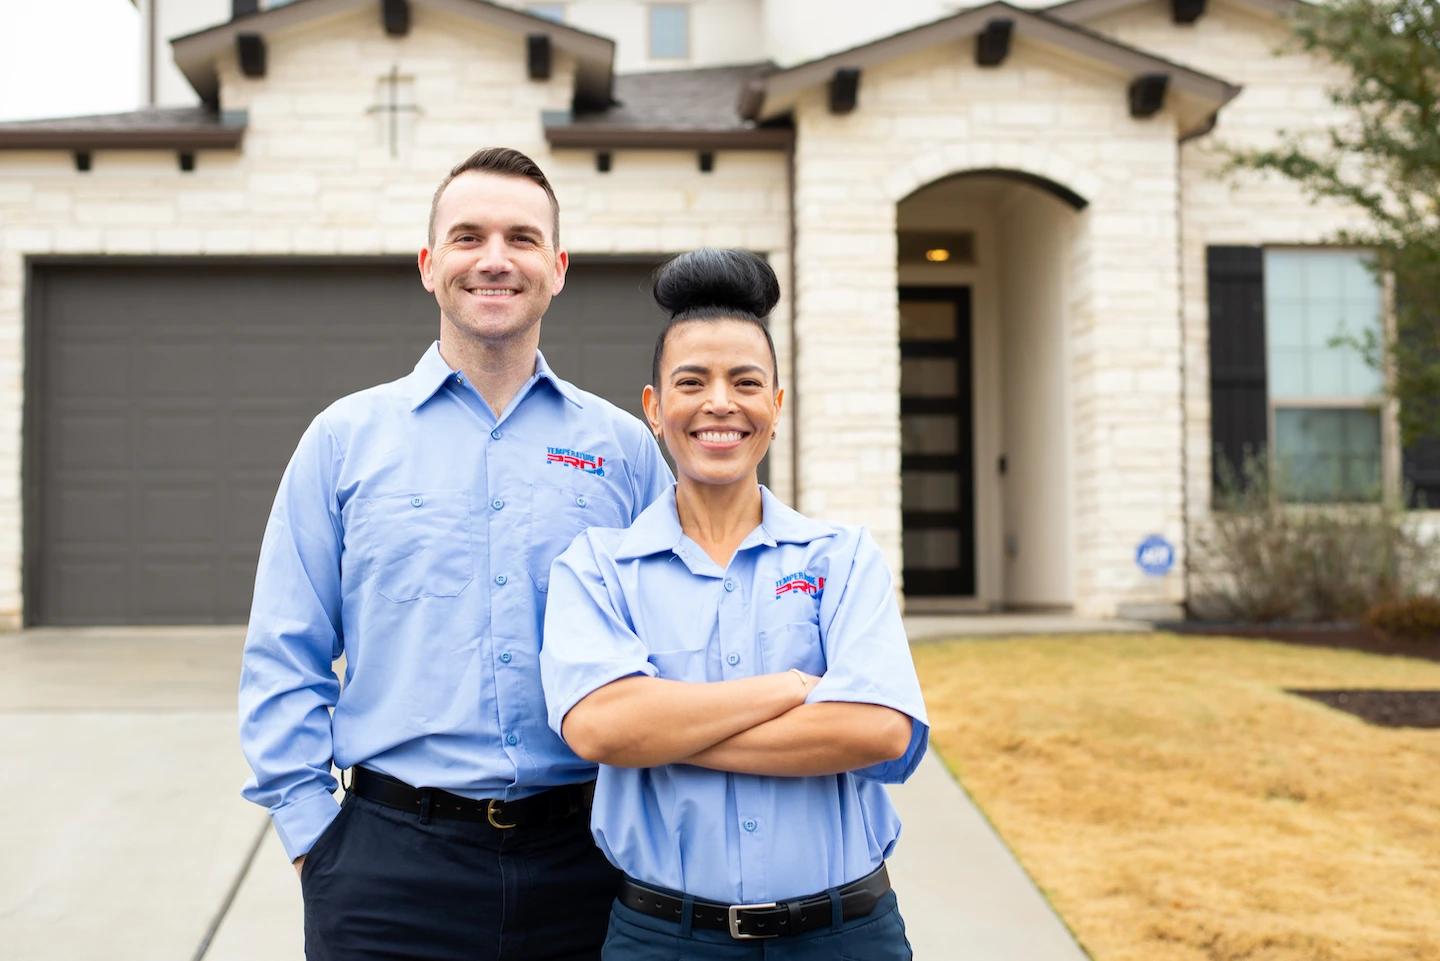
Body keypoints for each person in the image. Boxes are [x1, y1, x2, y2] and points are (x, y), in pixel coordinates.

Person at [238, 147, 672, 961]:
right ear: (430, 264)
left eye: (522, 237)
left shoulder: (624, 450)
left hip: (590, 862)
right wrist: (315, 843)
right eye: (468, 236)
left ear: (559, 266)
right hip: (386, 872)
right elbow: (282, 654)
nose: (495, 259)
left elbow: (673, 650)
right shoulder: (343, 442)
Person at [539, 248, 929, 959]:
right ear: (655, 409)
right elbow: (600, 728)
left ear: (775, 408)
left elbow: (878, 731)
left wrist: (664, 732)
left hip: (845, 936)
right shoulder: (599, 568)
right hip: (666, 939)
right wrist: (790, 690)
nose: (720, 401)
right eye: (693, 381)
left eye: (746, 382)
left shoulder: (839, 557)